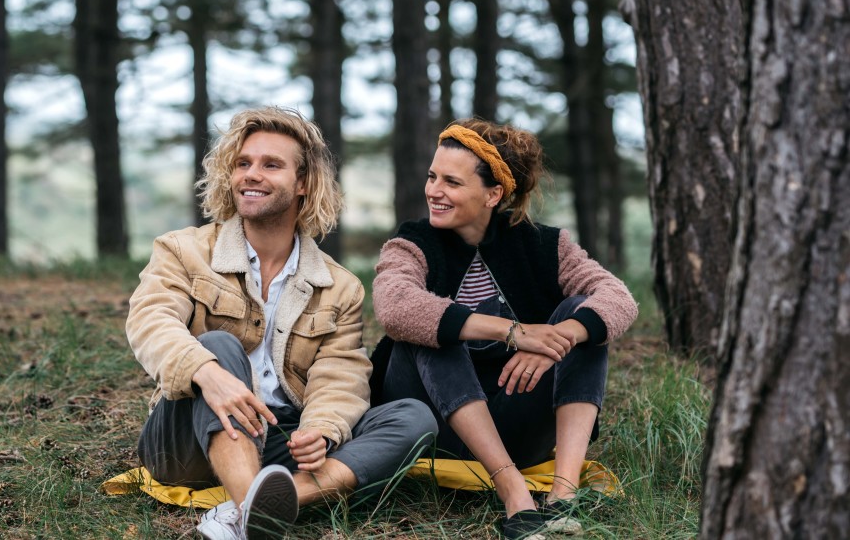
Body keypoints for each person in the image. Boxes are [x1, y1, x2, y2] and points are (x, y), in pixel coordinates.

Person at [126, 106, 436, 540]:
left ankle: (253, 506)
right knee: (219, 344)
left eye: (271, 165)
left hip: (279, 438)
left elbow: (341, 376)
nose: (251, 175)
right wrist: (207, 373)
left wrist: (320, 432)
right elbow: (150, 318)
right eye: (242, 164)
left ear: (304, 183)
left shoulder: (340, 286)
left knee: (413, 417)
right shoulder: (183, 250)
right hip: (186, 440)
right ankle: (254, 504)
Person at [371, 119, 638, 540]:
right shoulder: (412, 242)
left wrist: (559, 337)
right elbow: (394, 306)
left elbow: (618, 298)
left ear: (493, 194)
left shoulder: (545, 245)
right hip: (433, 426)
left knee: (584, 315)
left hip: (513, 420)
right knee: (433, 326)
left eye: (452, 182)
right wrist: (513, 332)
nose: (433, 191)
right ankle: (513, 492)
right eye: (432, 176)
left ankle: (563, 496)